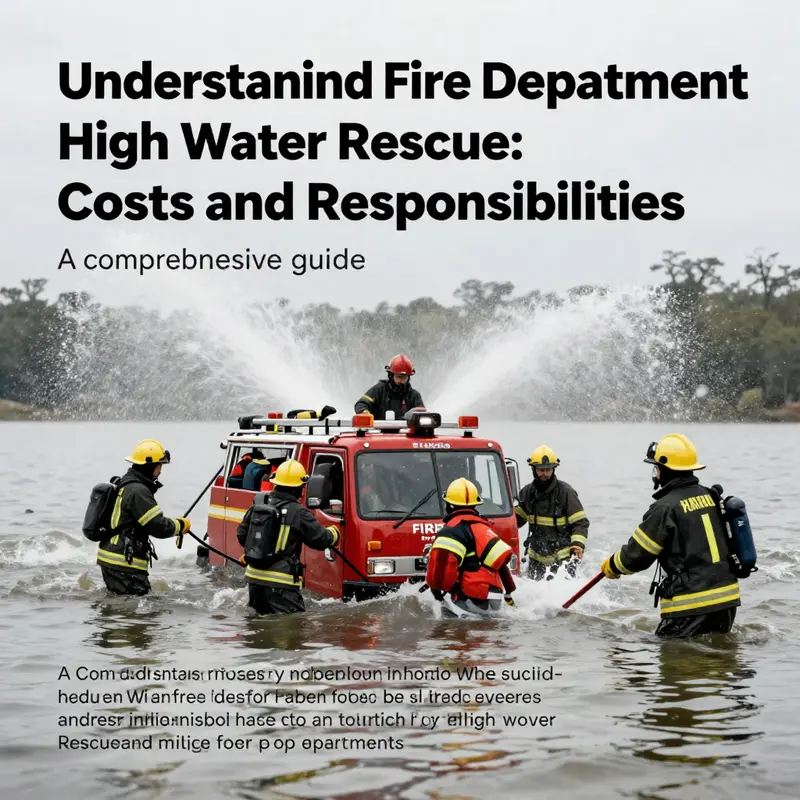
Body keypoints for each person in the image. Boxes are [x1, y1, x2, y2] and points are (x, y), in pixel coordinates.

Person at [600, 433, 741, 639]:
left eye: (656, 467)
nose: (655, 473)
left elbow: (638, 555)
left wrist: (612, 566)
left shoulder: (665, 507)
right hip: (727, 600)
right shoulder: (710, 496)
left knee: (674, 661)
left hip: (691, 605)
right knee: (714, 664)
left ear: (665, 469)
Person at [236, 459, 340, 615]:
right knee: (292, 630)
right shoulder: (298, 512)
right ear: (300, 488)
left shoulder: (258, 506)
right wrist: (335, 533)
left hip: (254, 580)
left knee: (258, 628)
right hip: (281, 584)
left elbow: (241, 536)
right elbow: (321, 540)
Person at [96, 439, 190, 596]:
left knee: (122, 610)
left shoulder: (127, 484)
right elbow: (158, 526)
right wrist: (180, 526)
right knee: (141, 612)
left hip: (112, 558)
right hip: (123, 562)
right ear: (150, 466)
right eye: (159, 466)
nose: (160, 471)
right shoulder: (138, 491)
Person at [425, 477, 516, 617]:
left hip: (469, 597)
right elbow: (501, 564)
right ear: (475, 505)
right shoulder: (484, 528)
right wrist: (509, 593)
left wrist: (437, 596)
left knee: (459, 634)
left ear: (449, 505)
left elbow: (440, 576)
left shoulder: (450, 531)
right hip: (494, 597)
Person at [514, 445, 589, 581]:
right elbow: (514, 521)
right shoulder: (527, 493)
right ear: (533, 469)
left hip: (562, 561)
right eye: (541, 470)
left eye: (548, 470)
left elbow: (580, 523)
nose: (544, 474)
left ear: (553, 469)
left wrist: (578, 544)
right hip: (536, 559)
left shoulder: (565, 492)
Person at [354, 354, 424, 421]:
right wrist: (365, 414)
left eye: (404, 377)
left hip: (405, 432)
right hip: (378, 431)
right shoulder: (379, 390)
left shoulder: (414, 396)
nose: (401, 380)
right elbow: (361, 404)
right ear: (391, 375)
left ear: (408, 378)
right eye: (398, 376)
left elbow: (421, 413)